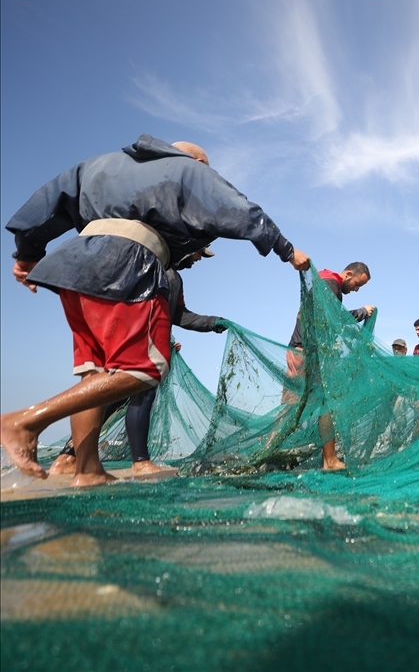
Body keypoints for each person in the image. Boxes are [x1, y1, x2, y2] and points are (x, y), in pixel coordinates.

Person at [2, 135, 309, 485]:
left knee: (95, 371)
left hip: (74, 265)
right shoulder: (187, 169)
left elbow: (44, 203)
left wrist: (27, 253)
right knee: (146, 370)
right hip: (124, 263)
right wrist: (286, 249)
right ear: (200, 163)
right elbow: (237, 209)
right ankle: (27, 422)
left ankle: (87, 470)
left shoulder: (97, 164)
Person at [49, 247, 227, 476]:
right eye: (198, 253)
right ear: (187, 247)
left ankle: (67, 457)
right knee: (144, 388)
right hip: (131, 338)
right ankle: (141, 462)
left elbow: (178, 314)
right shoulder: (158, 270)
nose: (199, 259)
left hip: (125, 336)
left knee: (111, 398)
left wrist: (213, 323)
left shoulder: (171, 277)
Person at [286, 263, 373, 471]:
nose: (356, 289)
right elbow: (336, 320)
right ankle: (330, 461)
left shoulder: (324, 281)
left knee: (295, 407)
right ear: (349, 274)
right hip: (305, 354)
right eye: (357, 284)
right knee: (320, 405)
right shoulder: (331, 284)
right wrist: (362, 312)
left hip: (300, 352)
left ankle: (264, 453)